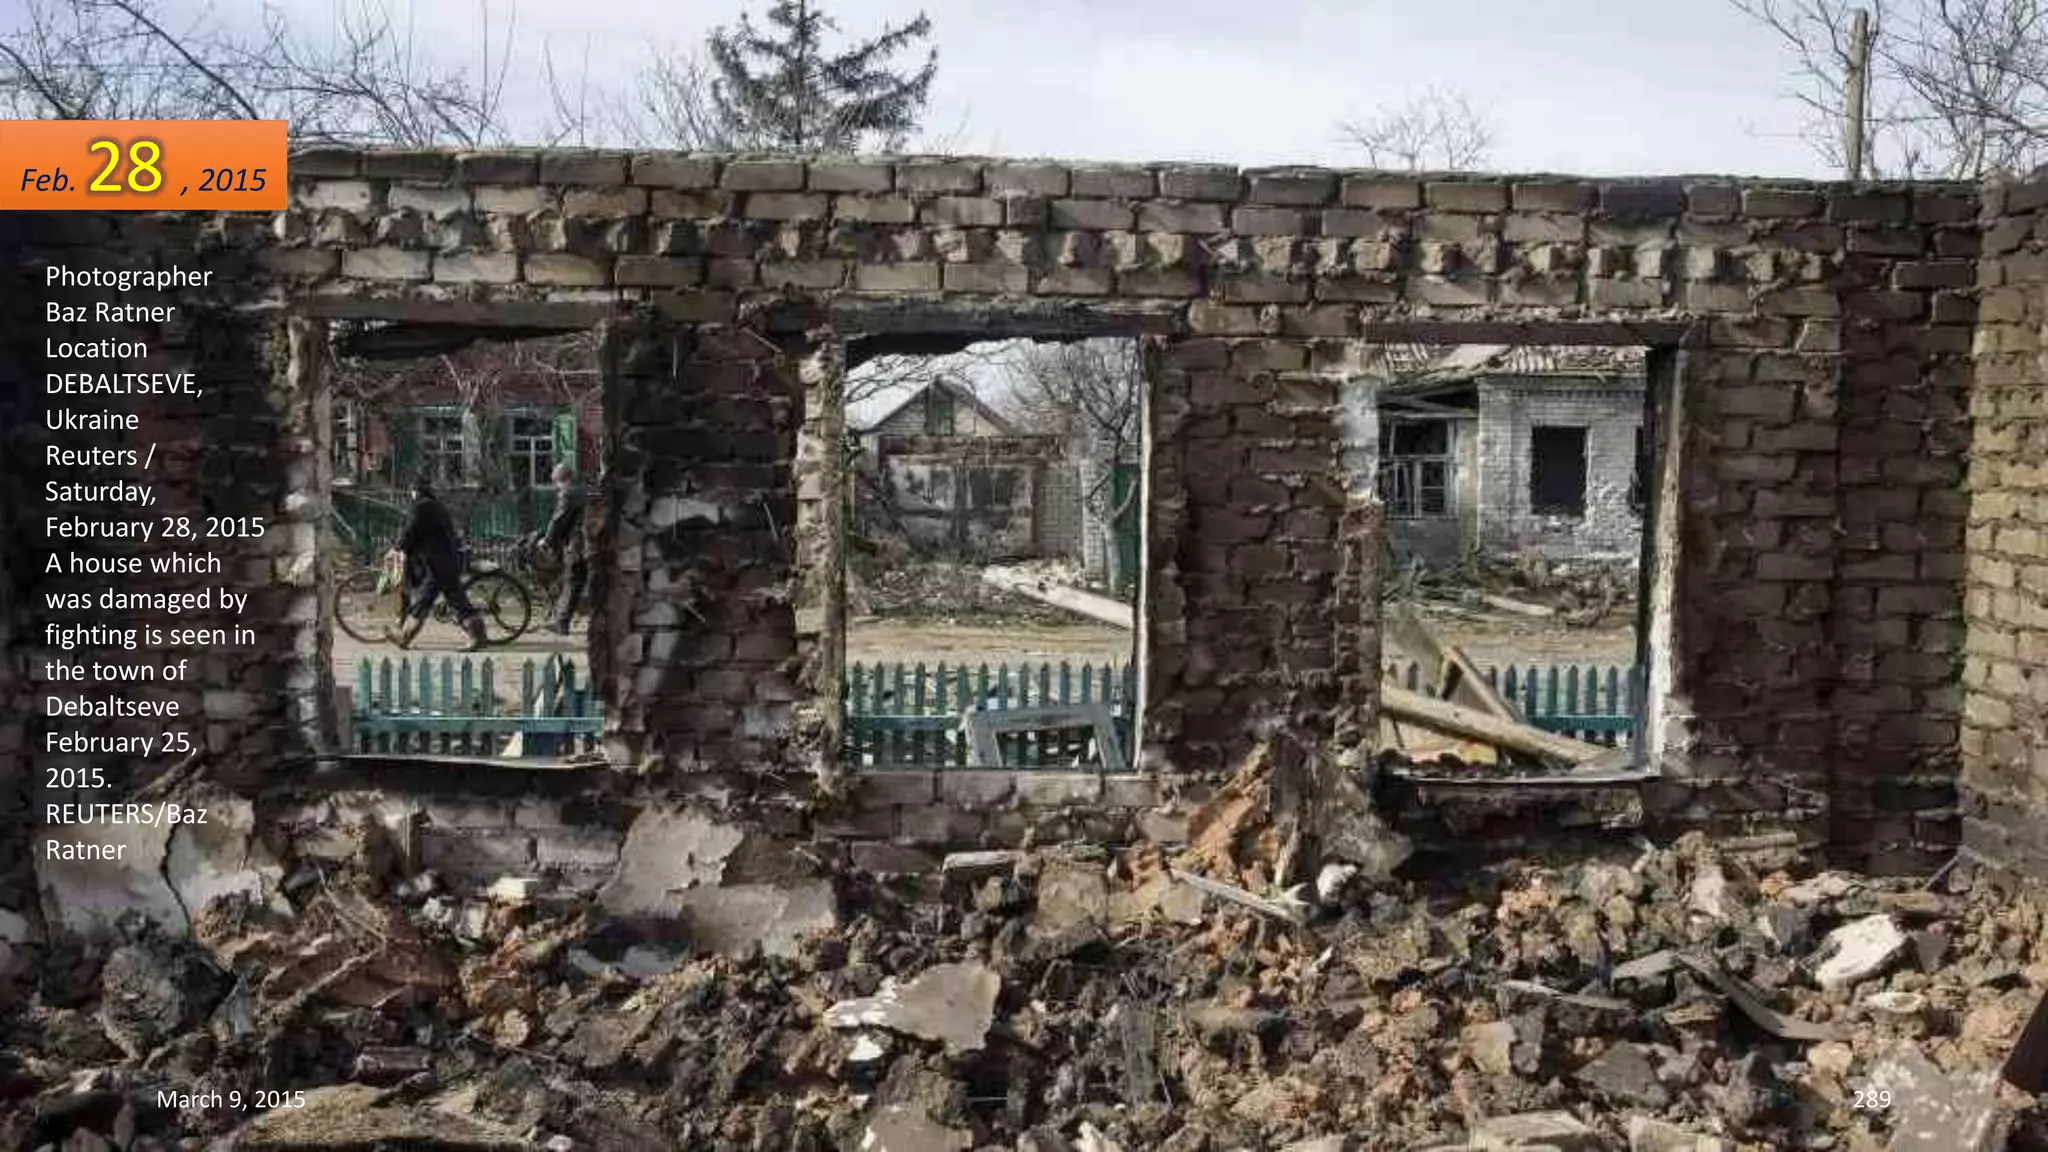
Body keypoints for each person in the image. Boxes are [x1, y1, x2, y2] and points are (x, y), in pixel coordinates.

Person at [388, 476, 489, 651]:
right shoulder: (434, 505)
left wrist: (396, 548)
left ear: (416, 491)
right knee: (424, 601)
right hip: (442, 562)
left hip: (440, 563)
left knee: (457, 601)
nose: (411, 494)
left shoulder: (422, 507)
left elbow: (411, 532)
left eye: (412, 491)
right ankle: (404, 637)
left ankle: (478, 637)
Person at [530, 462, 589, 634]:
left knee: (573, 580)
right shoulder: (584, 490)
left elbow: (558, 520)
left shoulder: (568, 493)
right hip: (595, 541)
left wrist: (547, 541)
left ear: (560, 479)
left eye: (556, 482)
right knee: (582, 580)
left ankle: (562, 623)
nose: (556, 487)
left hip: (579, 543)